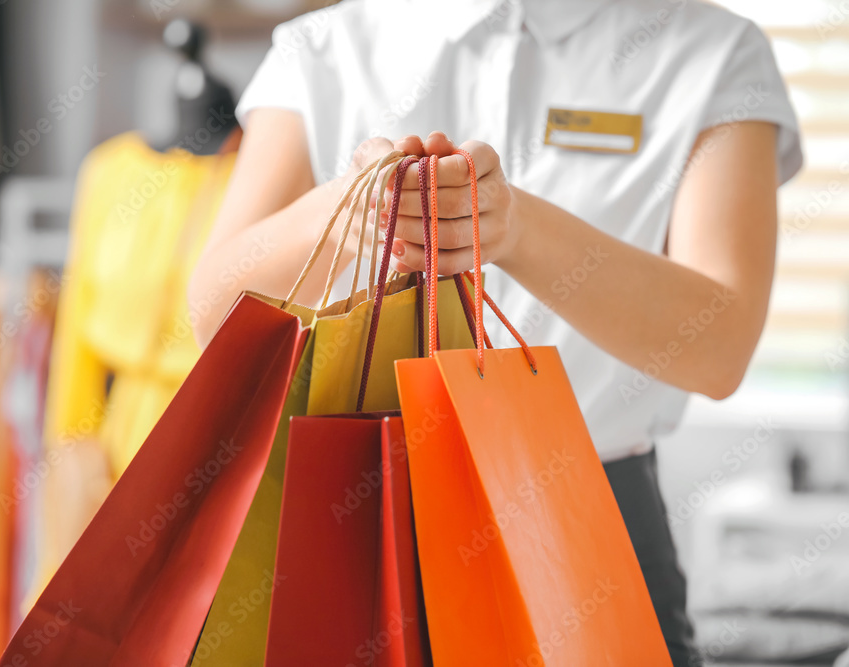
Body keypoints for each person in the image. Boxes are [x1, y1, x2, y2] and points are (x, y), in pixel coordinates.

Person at [188, 0, 803, 663]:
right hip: (355, 517)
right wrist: (342, 216)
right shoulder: (322, 46)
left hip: (588, 528)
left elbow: (720, 349)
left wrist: (516, 228)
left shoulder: (715, 51)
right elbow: (215, 313)